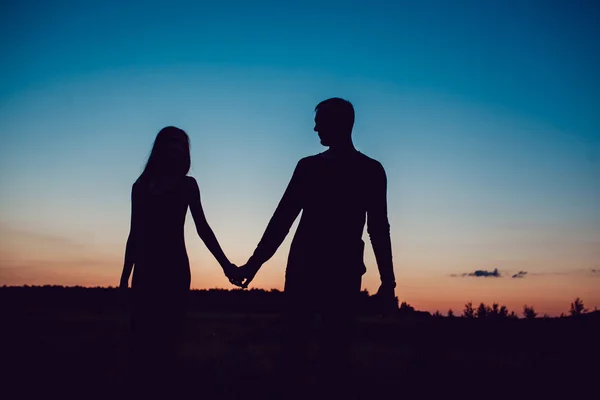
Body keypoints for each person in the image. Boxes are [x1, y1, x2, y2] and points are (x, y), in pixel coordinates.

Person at [238, 98, 397, 397]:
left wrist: (388, 282)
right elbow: (282, 219)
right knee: (297, 351)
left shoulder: (369, 171)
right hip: (307, 271)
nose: (314, 128)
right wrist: (254, 263)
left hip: (336, 273)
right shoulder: (312, 167)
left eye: (320, 122)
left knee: (331, 355)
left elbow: (378, 228)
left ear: (341, 124)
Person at [118, 126, 241, 395]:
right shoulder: (140, 187)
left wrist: (226, 265)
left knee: (169, 337)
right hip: (146, 272)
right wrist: (124, 277)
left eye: (181, 144)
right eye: (171, 142)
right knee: (140, 338)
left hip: (174, 270)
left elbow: (203, 228)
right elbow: (134, 233)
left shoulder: (187, 186)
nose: (176, 148)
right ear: (160, 148)